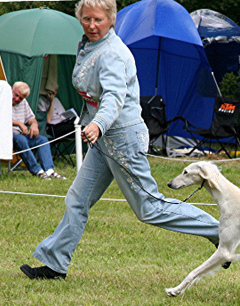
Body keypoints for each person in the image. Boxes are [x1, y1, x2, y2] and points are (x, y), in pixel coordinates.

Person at [20, 0, 223, 280]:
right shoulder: (88, 46)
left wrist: (98, 125)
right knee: (77, 200)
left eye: (99, 20)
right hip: (103, 139)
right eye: (87, 19)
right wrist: (96, 126)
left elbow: (114, 97)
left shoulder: (113, 53)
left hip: (123, 138)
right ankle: (55, 265)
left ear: (111, 20)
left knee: (149, 208)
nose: (92, 25)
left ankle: (221, 232)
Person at [11, 81, 67, 180]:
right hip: (7, 136)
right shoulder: (2, 100)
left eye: (20, 98)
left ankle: (49, 171)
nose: (17, 99)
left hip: (21, 135)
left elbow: (31, 118)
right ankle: (37, 171)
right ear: (12, 89)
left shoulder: (23, 103)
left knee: (42, 140)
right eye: (16, 95)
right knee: (21, 139)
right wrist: (19, 123)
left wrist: (34, 125)